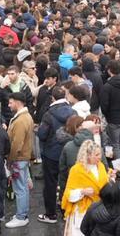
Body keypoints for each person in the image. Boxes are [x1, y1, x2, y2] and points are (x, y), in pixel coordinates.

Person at [36, 85, 73, 224]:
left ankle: (51, 214)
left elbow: (42, 134)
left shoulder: (49, 114)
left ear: (52, 98)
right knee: (67, 181)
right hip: (68, 152)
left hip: (51, 153)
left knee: (50, 184)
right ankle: (66, 211)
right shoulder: (73, 112)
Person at [62, 140, 111, 233]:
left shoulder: (101, 166)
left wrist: (110, 179)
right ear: (88, 155)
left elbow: (104, 184)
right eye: (96, 155)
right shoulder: (76, 170)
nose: (99, 157)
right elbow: (68, 194)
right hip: (82, 212)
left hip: (99, 211)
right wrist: (82, 192)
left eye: (100, 154)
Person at [4, 91, 34, 229]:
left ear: (17, 102)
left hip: (18, 159)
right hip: (22, 158)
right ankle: (23, 214)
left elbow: (17, 143)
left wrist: (10, 160)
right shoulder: (24, 116)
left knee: (20, 189)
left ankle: (21, 216)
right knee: (23, 188)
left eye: (10, 103)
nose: (9, 105)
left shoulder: (21, 120)